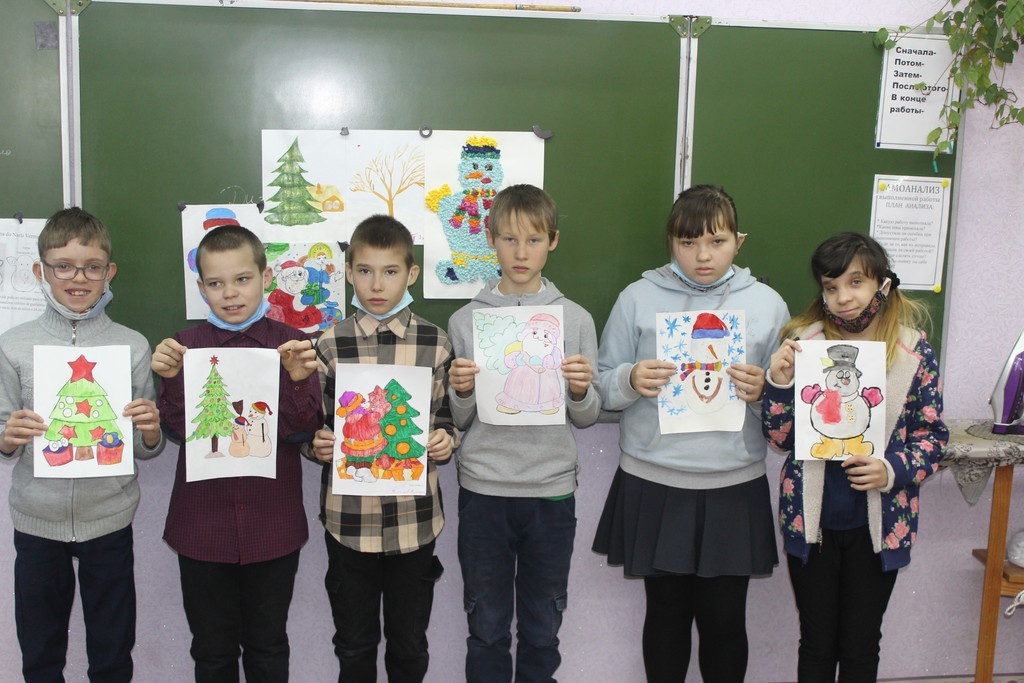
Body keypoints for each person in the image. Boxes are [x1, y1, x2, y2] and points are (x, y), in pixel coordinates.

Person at [593, 184, 789, 682]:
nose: (703, 255)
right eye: (688, 242)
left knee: (725, 620)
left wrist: (764, 390)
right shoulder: (636, 298)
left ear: (738, 242)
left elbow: (789, 404)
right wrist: (630, 379)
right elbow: (601, 383)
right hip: (655, 480)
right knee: (665, 616)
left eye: (716, 242)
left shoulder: (767, 305)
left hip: (732, 483)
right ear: (671, 242)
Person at [762, 231, 947, 682]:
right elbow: (780, 439)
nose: (843, 297)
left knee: (861, 644)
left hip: (879, 525)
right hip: (813, 521)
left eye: (855, 282)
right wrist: (780, 383)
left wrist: (891, 469)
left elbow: (932, 437)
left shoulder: (912, 351)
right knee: (817, 642)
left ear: (882, 284)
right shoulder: (803, 344)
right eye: (831, 286)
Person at [151, 224, 322, 683]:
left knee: (268, 648)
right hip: (202, 526)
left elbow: (302, 431)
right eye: (216, 282)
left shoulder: (292, 344)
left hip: (272, 524)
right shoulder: (184, 348)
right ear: (201, 287)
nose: (230, 293)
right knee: (212, 652)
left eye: (242, 279)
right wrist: (170, 379)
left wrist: (298, 380)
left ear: (265, 278)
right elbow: (176, 430)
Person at [0, 207, 164, 682]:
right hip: (37, 520)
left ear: (109, 272)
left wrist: (151, 431)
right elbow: (4, 436)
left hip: (109, 519)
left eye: (92, 267)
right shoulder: (13, 345)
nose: (78, 278)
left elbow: (145, 447)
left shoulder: (132, 346)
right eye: (64, 267)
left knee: (112, 651)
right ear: (41, 272)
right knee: (40, 651)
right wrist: (7, 439)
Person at [447, 184, 601, 683]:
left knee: (542, 625)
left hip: (549, 490)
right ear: (491, 239)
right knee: (486, 625)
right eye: (509, 239)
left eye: (533, 240)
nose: (520, 252)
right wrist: (461, 390)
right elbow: (461, 418)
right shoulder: (465, 320)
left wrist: (580, 389)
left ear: (552, 241)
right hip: (484, 490)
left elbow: (586, 416)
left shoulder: (575, 319)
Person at [308, 214, 456, 683]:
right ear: (348, 272)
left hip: (415, 523)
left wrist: (444, 439)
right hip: (348, 524)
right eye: (365, 270)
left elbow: (445, 417)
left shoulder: (435, 343)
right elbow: (314, 425)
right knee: (353, 646)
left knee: (409, 647)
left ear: (411, 274)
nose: (377, 284)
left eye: (390, 271)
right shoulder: (328, 344)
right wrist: (317, 444)